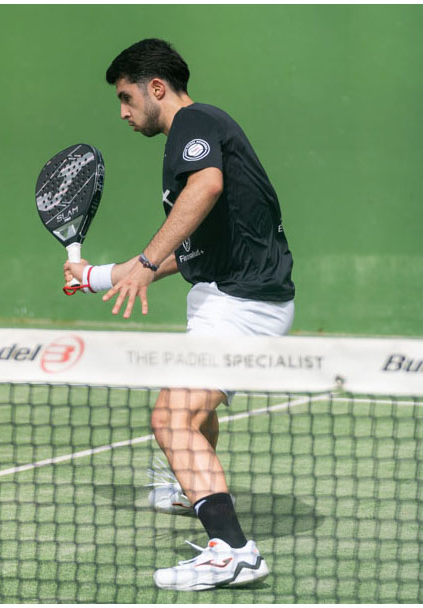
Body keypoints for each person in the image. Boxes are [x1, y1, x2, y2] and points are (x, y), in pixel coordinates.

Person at [63, 38, 295, 591]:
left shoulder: (195, 123)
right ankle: (193, 490)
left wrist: (144, 264)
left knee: (171, 420)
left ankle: (233, 552)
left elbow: (206, 188)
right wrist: (99, 276)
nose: (123, 112)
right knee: (194, 414)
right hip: (229, 300)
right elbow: (185, 249)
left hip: (241, 304)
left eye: (126, 97)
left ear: (156, 88)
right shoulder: (191, 142)